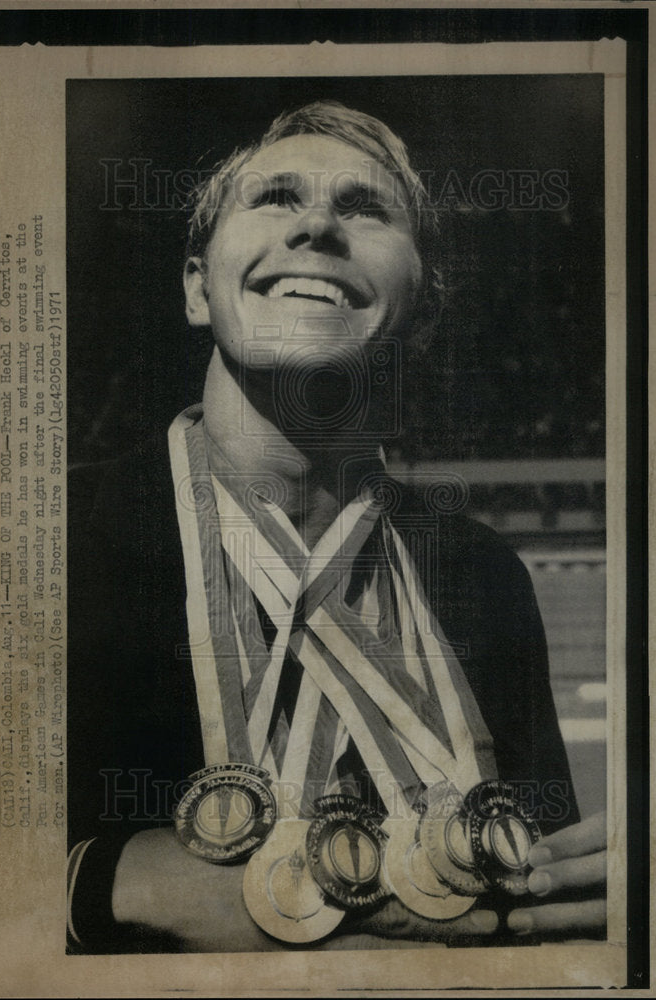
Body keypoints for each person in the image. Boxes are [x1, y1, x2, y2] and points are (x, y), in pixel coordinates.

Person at [67, 100, 606, 953]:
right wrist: (104, 881)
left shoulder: (485, 575)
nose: (317, 223)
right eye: (275, 197)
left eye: (365, 208)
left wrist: (592, 919)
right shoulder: (37, 550)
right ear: (197, 287)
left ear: (422, 314)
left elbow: (541, 893)